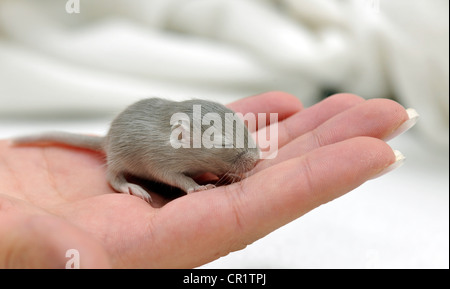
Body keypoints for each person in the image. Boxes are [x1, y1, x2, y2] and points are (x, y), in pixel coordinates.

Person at [0, 91, 416, 268]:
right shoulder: (164, 149)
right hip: (127, 149)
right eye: (234, 154)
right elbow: (163, 169)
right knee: (125, 163)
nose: (248, 159)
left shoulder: (195, 133)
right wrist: (189, 186)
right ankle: (116, 176)